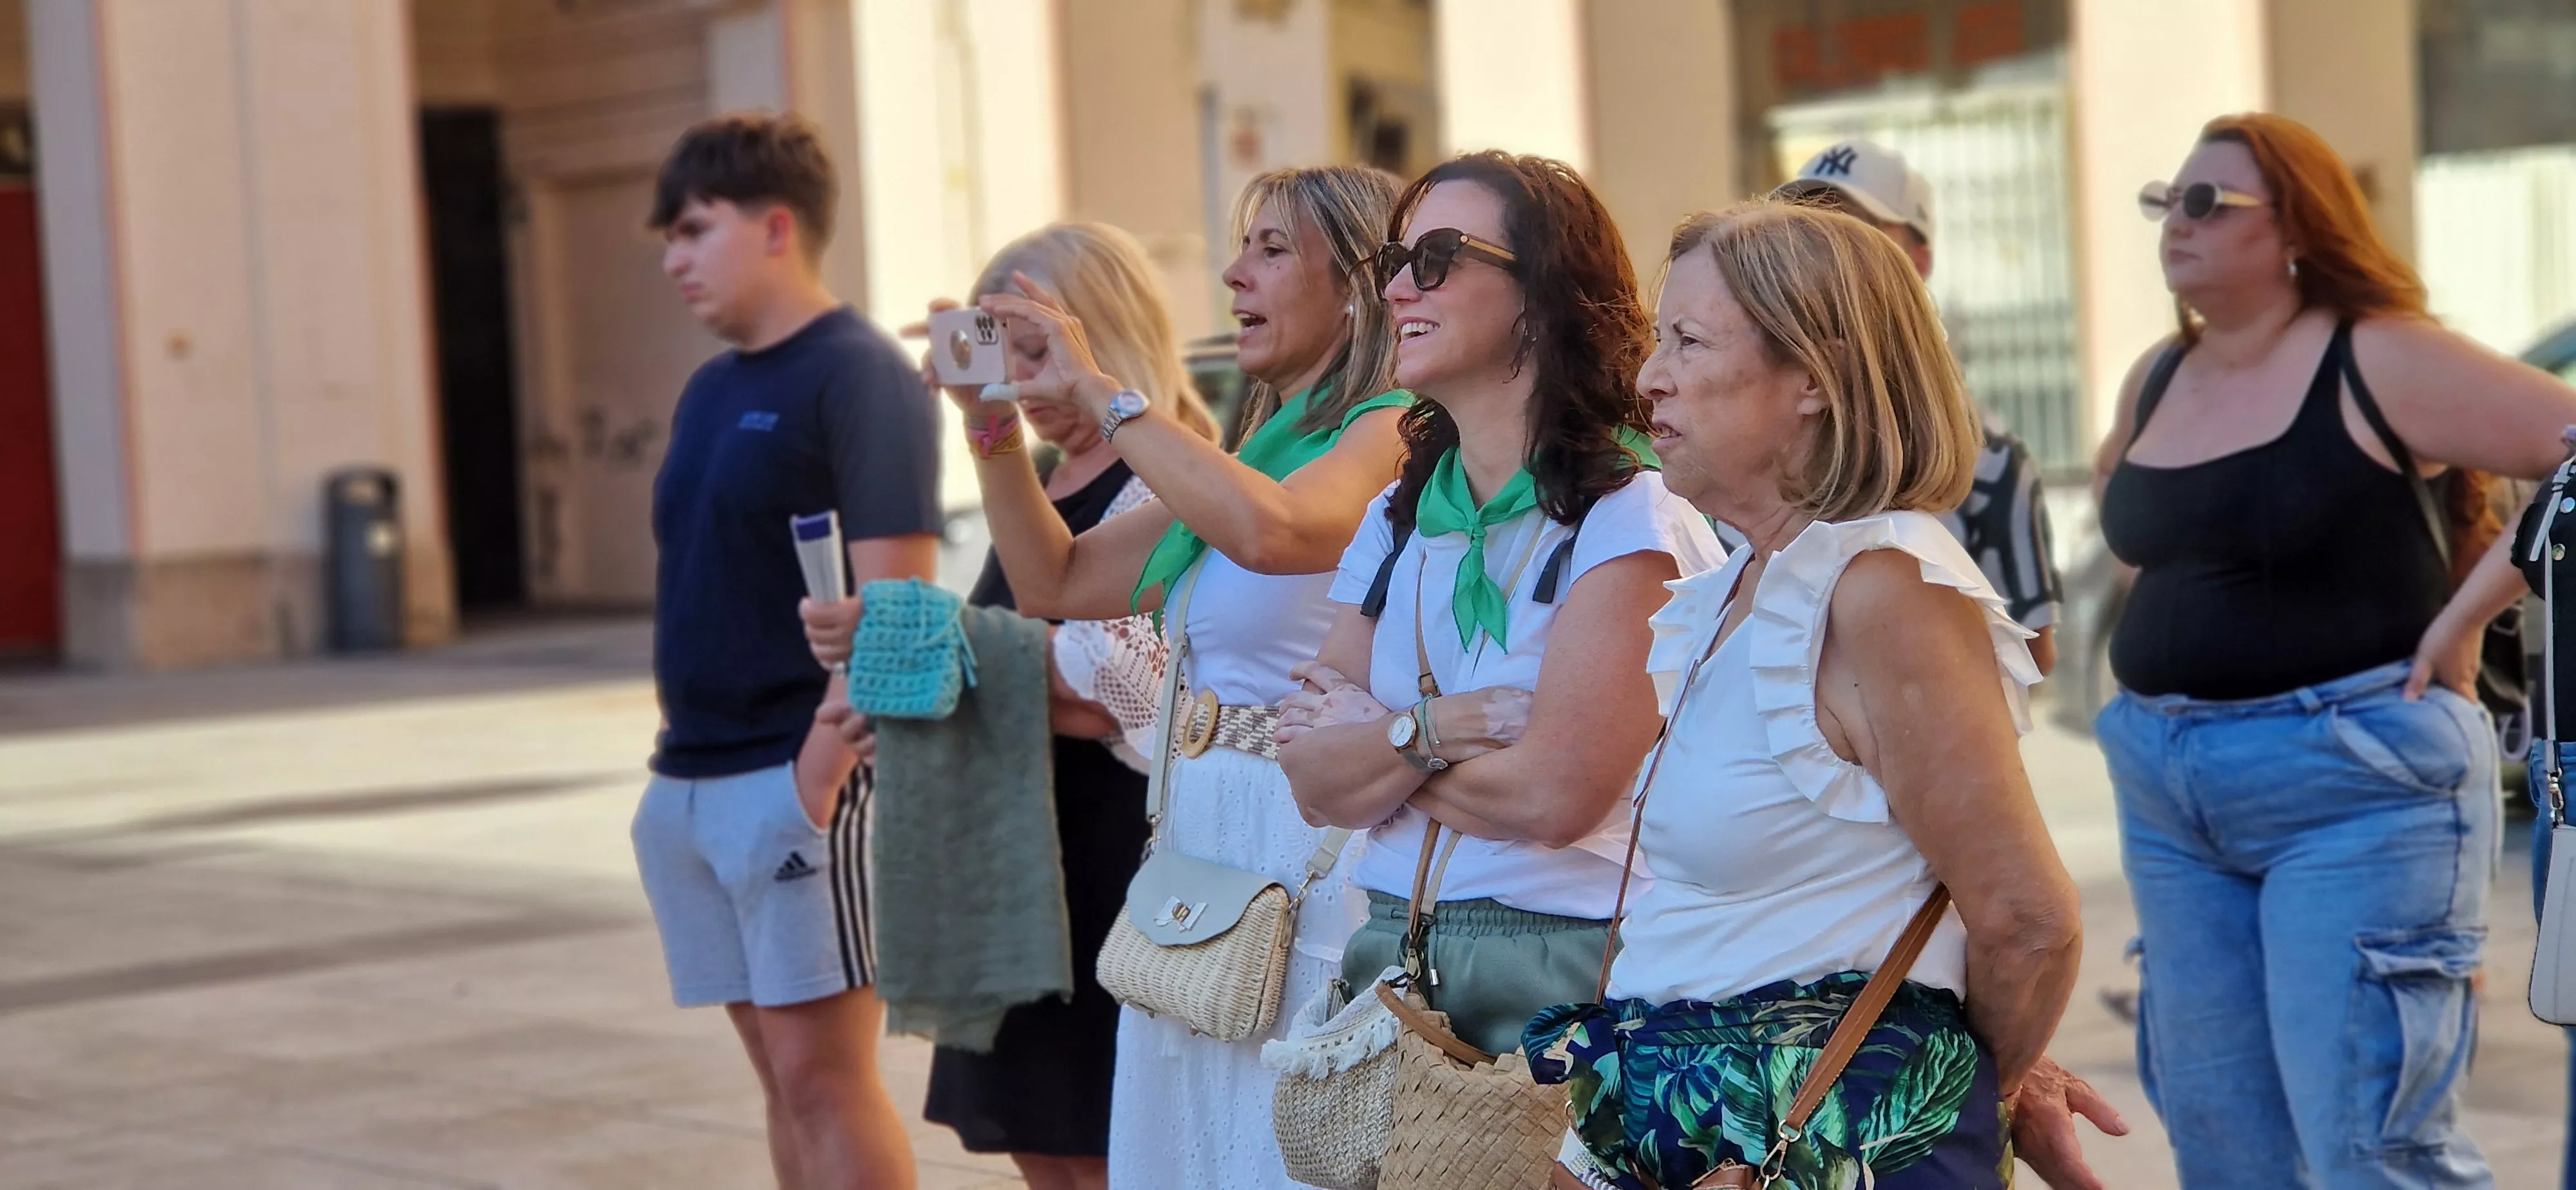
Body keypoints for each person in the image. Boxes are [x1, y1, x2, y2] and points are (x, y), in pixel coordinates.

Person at [808, 165, 1408, 1190]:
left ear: (1358, 283)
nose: (1231, 273)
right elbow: (1059, 575)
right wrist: (991, 421)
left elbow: (1277, 533)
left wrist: (1099, 392)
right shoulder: (1264, 439)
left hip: (1305, 847)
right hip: (1201, 843)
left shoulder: (1392, 424)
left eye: (1270, 251)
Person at [1530, 198, 2107, 1190]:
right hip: (1698, 1135)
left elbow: (2028, 921)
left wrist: (1938, 1095)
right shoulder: (1746, 582)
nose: (1650, 375)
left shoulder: (1879, 587)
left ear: (1814, 377)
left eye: (1690, 342)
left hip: (1815, 1150)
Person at [2091, 112, 2576, 1187]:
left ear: (2299, 230)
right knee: (2224, 1151)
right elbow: (2139, 526)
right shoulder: (2160, 376)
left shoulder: (2378, 357)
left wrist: (2459, 619)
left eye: (2208, 202)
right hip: (2170, 792)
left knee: (2371, 1152)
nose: (2176, 221)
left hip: (2352, 781)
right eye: (2163, 200)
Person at [1272, 151, 1723, 1059]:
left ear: (1541, 294)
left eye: (1435, 256)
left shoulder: (1629, 516)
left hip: (1560, 973)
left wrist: (1386, 741)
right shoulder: (1399, 518)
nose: (1399, 287)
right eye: (1394, 260)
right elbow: (1314, 782)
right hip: (1394, 959)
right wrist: (1435, 729)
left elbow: (1557, 796)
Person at [632, 112, 938, 1190]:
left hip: (797, 775)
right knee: (779, 1079)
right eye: (666, 236)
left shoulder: (860, 375)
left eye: (692, 229)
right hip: (694, 774)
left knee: (823, 1076)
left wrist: (820, 774)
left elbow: (898, 600)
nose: (673, 257)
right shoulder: (712, 388)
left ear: (775, 226)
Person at [902, 224, 1220, 1190]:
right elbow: (1027, 649)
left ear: (1104, 333)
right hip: (1022, 860)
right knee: (1045, 1148)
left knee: (1110, 1152)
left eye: (1033, 349)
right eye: (999, 352)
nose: (1020, 384)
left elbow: (1107, 691)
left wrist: (919, 648)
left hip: (1109, 861)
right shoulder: (1038, 482)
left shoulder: (1171, 472)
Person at [1775, 138, 2063, 673]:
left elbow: (2030, 655)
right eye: (1806, 228)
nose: (1826, 249)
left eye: (1857, 230)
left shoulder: (1988, 455)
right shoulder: (1753, 428)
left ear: (1920, 260)